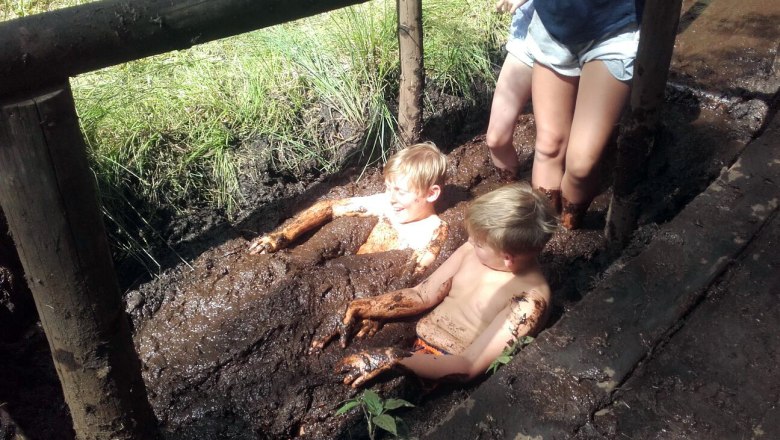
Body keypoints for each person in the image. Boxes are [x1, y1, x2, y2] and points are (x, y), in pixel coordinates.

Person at [318, 182, 558, 387]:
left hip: (444, 370)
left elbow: (468, 367)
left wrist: (393, 359)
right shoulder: (475, 248)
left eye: (479, 243)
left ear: (507, 257)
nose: (470, 242)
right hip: (413, 345)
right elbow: (422, 295)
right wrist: (362, 306)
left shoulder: (529, 301)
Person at [526, 0, 643, 228]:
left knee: (581, 165)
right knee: (549, 146)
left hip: (614, 29)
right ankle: (542, 237)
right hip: (554, 22)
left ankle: (570, 228)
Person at [248, 142, 449, 274]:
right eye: (388, 188)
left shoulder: (433, 232)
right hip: (343, 271)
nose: (391, 198)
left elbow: (414, 277)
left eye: (401, 192)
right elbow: (330, 208)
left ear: (431, 193)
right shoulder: (385, 204)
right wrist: (282, 236)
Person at [486, 0, 535, 183]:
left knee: (555, 148)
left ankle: (551, 210)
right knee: (496, 139)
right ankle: (510, 200)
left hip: (585, 36)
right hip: (528, 33)